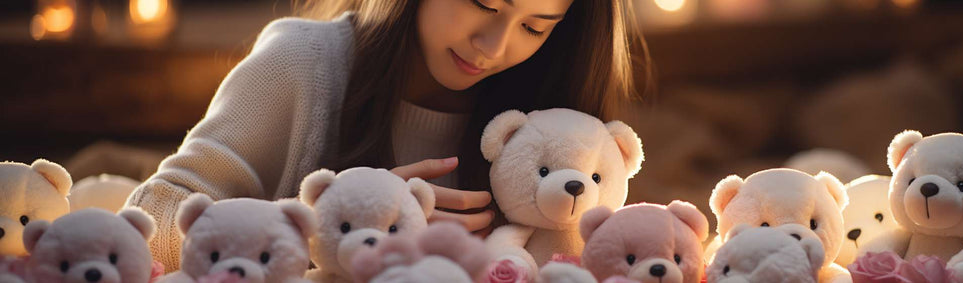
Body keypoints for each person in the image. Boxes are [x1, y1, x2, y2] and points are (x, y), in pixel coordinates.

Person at [125, 0, 653, 270]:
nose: (493, 46)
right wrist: (334, 230)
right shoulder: (301, 63)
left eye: (535, 27)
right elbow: (150, 218)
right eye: (483, 3)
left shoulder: (552, 122)